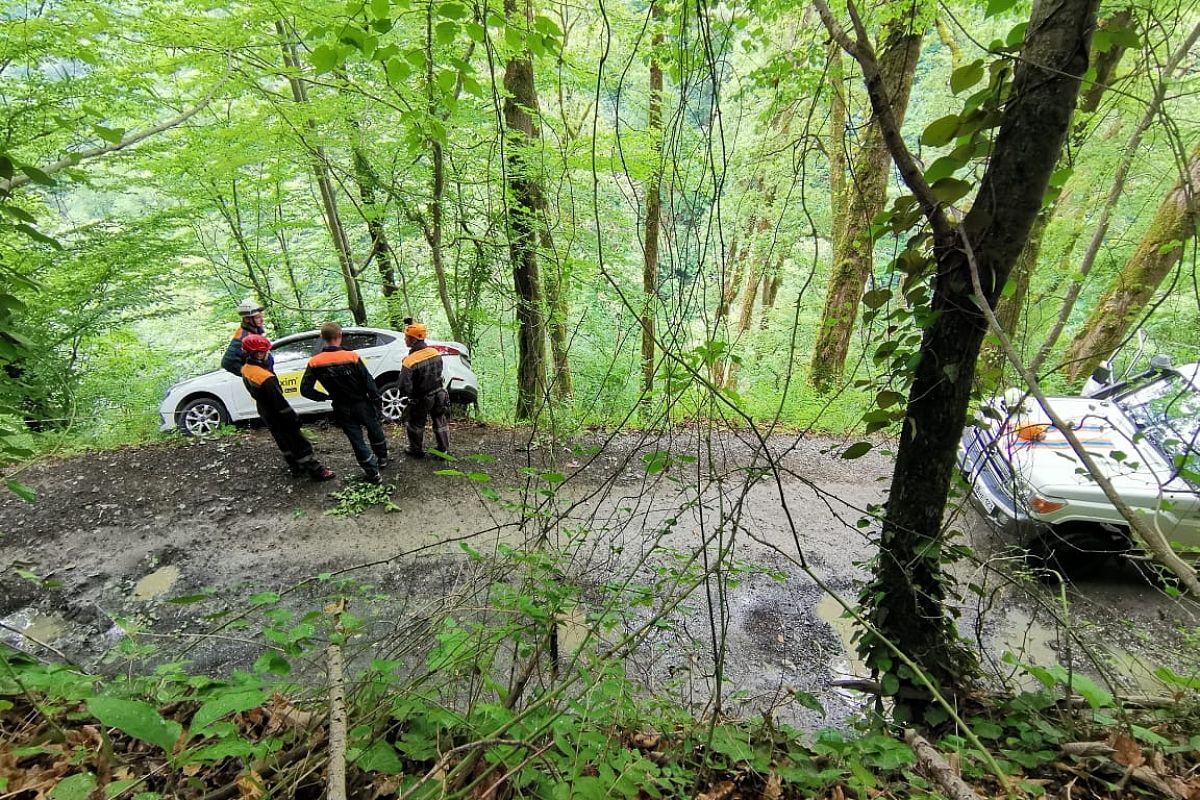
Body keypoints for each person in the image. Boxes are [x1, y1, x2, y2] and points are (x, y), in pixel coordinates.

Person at [300, 322, 389, 483]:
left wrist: (325, 397)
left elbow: (305, 390)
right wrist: (377, 402)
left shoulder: (314, 362)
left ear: (322, 338)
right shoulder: (351, 356)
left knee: (357, 441)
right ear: (340, 335)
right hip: (362, 403)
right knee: (375, 431)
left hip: (341, 406)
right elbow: (368, 381)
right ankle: (382, 458)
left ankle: (373, 474)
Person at [239, 334, 335, 482]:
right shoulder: (265, 378)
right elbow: (280, 404)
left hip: (264, 410)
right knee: (299, 442)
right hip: (277, 413)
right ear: (257, 353)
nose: (268, 353)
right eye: (266, 351)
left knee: (283, 441)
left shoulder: (247, 368)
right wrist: (293, 419)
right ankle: (316, 471)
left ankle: (296, 468)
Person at [397, 320, 450, 459]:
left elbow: (403, 386)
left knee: (415, 423)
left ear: (413, 339)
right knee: (440, 420)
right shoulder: (435, 352)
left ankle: (416, 450)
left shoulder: (409, 361)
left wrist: (408, 397)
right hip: (439, 393)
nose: (404, 339)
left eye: (406, 337)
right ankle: (443, 449)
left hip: (421, 398)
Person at [222, 298, 272, 375]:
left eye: (261, 316)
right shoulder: (243, 337)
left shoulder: (256, 331)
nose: (262, 320)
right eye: (258, 317)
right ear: (247, 319)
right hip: (261, 380)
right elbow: (227, 363)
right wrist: (250, 374)